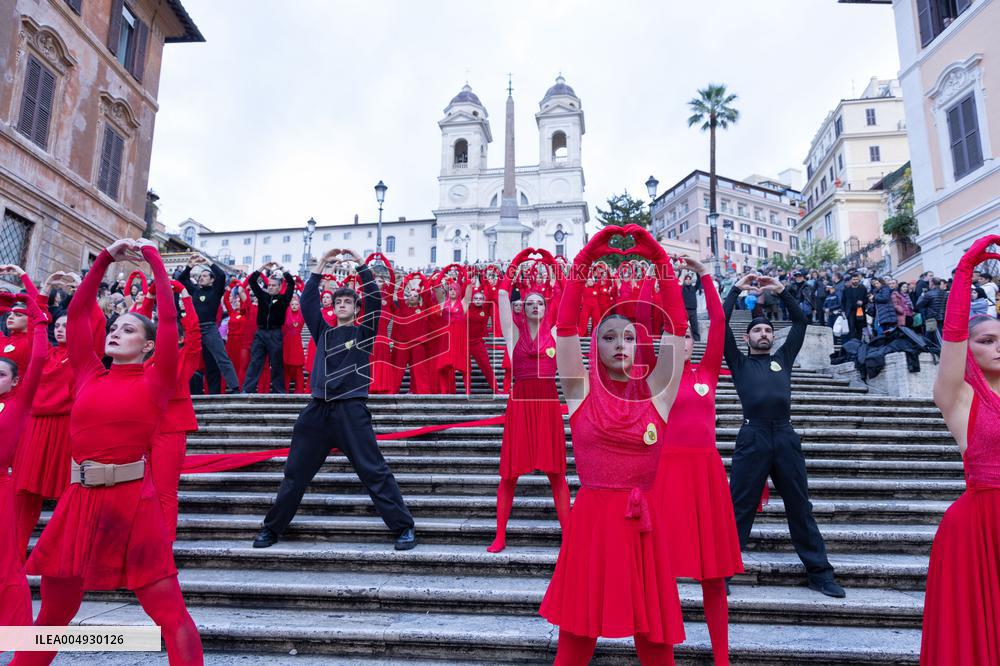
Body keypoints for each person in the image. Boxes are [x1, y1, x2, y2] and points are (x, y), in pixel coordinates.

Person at [15, 238, 203, 665]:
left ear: (149, 346)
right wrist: (103, 260)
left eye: (129, 330)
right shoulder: (87, 374)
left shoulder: (157, 380)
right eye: (115, 328)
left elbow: (171, 323)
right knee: (54, 615)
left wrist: (154, 260)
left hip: (133, 504)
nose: (117, 332)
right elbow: (79, 314)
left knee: (170, 615)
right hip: (78, 503)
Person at [541, 224, 688, 665]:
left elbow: (677, 328)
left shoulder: (659, 395)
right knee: (575, 638)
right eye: (608, 337)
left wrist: (660, 262)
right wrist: (585, 260)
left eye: (627, 337)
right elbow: (565, 326)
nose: (619, 345)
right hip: (592, 524)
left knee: (656, 642)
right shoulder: (579, 392)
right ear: (595, 345)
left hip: (643, 524)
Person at [253, 248, 416, 551]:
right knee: (294, 474)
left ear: (355, 308)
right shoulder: (323, 332)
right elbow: (309, 303)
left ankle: (403, 528)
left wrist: (362, 266)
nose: (341, 305)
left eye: (347, 302)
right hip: (317, 411)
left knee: (374, 471)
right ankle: (271, 529)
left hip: (351, 410)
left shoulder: (364, 332)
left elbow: (376, 302)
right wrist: (320, 266)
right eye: (338, 301)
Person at [723, 272, 845, 598]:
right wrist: (736, 289)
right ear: (747, 338)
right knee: (740, 506)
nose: (763, 333)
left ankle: (820, 573)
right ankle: (723, 574)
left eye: (767, 330)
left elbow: (801, 322)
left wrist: (781, 290)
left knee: (799, 505)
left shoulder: (782, 359)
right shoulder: (739, 363)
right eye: (757, 331)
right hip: (753, 435)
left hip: (785, 435)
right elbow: (722, 324)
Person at [651, 256, 742, 666]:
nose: (683, 339)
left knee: (712, 575)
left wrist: (705, 275)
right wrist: (663, 275)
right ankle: (663, 652)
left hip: (705, 475)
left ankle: (722, 657)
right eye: (675, 334)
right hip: (666, 475)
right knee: (662, 572)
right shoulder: (656, 380)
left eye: (687, 335)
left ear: (694, 343)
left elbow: (720, 325)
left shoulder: (707, 372)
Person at [921, 234, 1000, 665]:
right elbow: (952, 337)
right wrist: (963, 275)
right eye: (985, 340)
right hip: (979, 529)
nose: (997, 345)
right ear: (968, 351)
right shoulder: (960, 397)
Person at [488, 249, 570, 554]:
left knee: (557, 474)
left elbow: (566, 294)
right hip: (521, 404)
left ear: (546, 308)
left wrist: (550, 262)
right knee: (509, 474)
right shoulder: (513, 332)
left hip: (547, 404)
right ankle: (500, 535)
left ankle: (570, 535)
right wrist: (516, 261)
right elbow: (501, 296)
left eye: (541, 303)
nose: (535, 305)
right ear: (523, 308)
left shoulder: (553, 330)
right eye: (530, 303)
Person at [136, 280, 203, 541]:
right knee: (137, 490)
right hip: (139, 428)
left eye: (170, 333)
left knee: (164, 491)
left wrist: (184, 295)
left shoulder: (184, 357)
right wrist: (150, 296)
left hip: (171, 429)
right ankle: (139, 542)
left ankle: (163, 546)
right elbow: (137, 324)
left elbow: (195, 331)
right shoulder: (143, 359)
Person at [0, 293, 48, 626]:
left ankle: (17, 634)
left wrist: (33, 305)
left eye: (1, 374)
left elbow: (40, 354)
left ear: (15, 381)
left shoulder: (18, 404)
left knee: (6, 564)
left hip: (3, 488)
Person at [178, 254, 240, 394]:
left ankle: (235, 388)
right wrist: (189, 266)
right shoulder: (194, 290)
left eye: (205, 276)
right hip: (194, 330)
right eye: (200, 275)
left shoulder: (216, 290)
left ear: (212, 280)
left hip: (210, 328)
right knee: (187, 358)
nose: (201, 277)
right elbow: (181, 280)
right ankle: (181, 388)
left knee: (221, 359)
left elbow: (221, 275)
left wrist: (208, 262)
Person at [242, 263, 295, 394]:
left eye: (273, 285)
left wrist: (281, 268)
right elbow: (252, 281)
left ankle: (279, 390)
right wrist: (262, 268)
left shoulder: (284, 299)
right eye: (269, 285)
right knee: (255, 362)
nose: (270, 287)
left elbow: (291, 283)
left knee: (276, 363)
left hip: (275, 333)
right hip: (260, 333)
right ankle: (248, 389)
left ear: (279, 287)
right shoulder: (262, 296)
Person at [282, 293, 307, 394]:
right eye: (292, 304)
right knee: (286, 368)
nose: (294, 306)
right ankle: (285, 390)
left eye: (296, 304)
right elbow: (284, 299)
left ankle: (299, 390)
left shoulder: (302, 314)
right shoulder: (286, 313)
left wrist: (300, 285)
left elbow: (306, 302)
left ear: (299, 305)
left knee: (298, 369)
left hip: (296, 345)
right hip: (287, 344)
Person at [841, 274, 868, 341]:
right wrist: (843, 311)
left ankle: (859, 343)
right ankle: (853, 343)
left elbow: (866, 299)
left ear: (859, 280)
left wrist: (862, 302)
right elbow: (843, 301)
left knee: (859, 328)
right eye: (854, 279)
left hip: (860, 311)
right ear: (851, 280)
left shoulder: (863, 288)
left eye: (857, 279)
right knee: (851, 327)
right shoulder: (846, 290)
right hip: (850, 311)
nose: (855, 281)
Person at [681, 272, 702, 342]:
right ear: (684, 280)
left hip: (693, 311)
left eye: (689, 279)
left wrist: (697, 272)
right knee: (683, 327)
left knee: (695, 327)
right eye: (686, 279)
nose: (688, 280)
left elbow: (699, 281)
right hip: (685, 310)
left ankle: (697, 341)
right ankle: (681, 341)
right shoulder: (682, 288)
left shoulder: (693, 288)